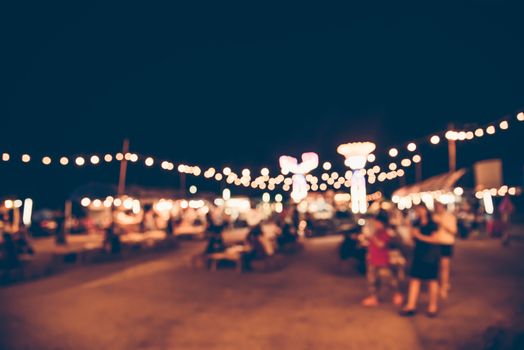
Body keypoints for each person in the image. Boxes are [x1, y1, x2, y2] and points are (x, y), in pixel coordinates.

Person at [400, 204, 441, 317]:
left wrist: (419, 236)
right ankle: (411, 305)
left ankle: (433, 306)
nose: (419, 211)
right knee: (414, 280)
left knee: (431, 281)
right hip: (418, 254)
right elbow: (411, 239)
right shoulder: (415, 223)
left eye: (421, 209)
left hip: (430, 255)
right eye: (417, 210)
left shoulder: (432, 224)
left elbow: (436, 239)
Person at [362, 212, 403, 307]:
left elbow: (381, 245)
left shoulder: (387, 233)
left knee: (391, 280)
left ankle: (397, 295)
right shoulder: (375, 232)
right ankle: (374, 297)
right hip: (373, 259)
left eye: (378, 223)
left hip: (384, 260)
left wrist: (372, 237)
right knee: (372, 280)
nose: (376, 224)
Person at [433, 202, 457, 299]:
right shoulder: (434, 217)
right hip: (436, 243)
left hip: (446, 243)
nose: (438, 208)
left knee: (445, 267)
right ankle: (439, 285)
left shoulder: (450, 217)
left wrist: (442, 224)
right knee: (437, 266)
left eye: (439, 206)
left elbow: (453, 231)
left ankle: (444, 286)